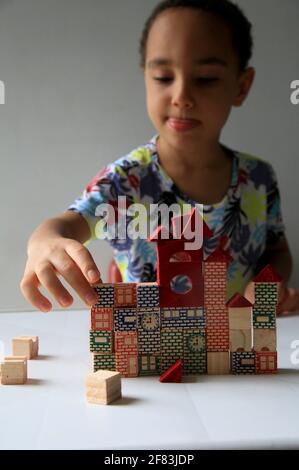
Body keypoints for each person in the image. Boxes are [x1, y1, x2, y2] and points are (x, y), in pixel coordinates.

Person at [20, 0, 299, 315]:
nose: (181, 96)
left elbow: (278, 252)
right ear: (146, 78)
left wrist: (268, 283)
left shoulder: (259, 179)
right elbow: (64, 226)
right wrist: (43, 242)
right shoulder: (126, 180)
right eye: (164, 77)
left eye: (206, 78)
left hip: (232, 349)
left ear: (241, 86)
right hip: (150, 348)